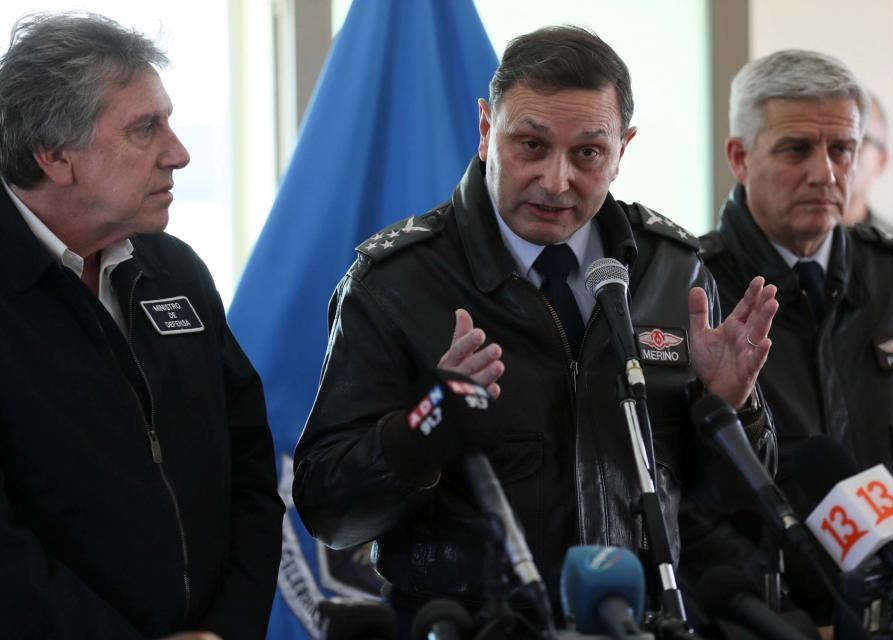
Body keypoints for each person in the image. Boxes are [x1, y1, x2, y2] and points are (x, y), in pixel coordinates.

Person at [293, 25, 778, 630]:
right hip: (472, 627)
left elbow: (733, 511)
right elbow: (328, 511)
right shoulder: (395, 283)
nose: (556, 181)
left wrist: (729, 409)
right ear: (484, 132)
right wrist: (425, 426)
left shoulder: (670, 271)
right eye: (531, 146)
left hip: (635, 622)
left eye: (588, 153)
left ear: (622, 150)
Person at [0, 12, 283, 639]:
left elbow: (253, 474)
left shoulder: (174, 269)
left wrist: (225, 630)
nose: (178, 153)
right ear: (54, 156)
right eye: (144, 129)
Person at [682, 48, 893, 629]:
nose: (825, 173)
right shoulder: (689, 291)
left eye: (842, 149)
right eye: (796, 149)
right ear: (740, 157)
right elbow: (676, 495)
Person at [844, 92, 893, 239]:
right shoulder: (788, 238)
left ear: (882, 162)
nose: (844, 153)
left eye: (859, 140)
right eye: (837, 143)